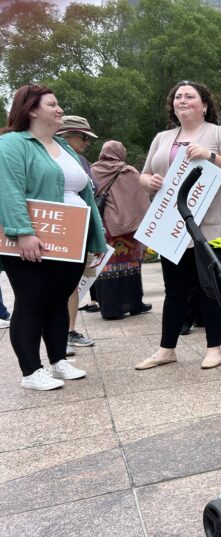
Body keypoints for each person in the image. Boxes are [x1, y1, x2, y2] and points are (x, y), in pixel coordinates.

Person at [0, 83, 107, 390]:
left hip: (71, 238)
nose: (59, 109)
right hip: (34, 239)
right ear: (32, 109)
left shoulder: (64, 147)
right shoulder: (12, 144)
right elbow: (8, 189)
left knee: (59, 299)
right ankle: (31, 371)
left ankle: (58, 360)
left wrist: (96, 239)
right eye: (52, 104)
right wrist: (23, 233)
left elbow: (85, 194)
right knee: (31, 300)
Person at [135, 80, 221, 370]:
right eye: (178, 97)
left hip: (209, 227)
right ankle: (166, 349)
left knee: (210, 288)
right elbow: (143, 175)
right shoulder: (162, 138)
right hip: (171, 226)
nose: (182, 100)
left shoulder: (219, 134)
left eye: (190, 96)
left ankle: (214, 348)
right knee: (174, 290)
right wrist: (149, 181)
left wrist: (210, 156)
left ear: (205, 105)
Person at [90, 140, 152, 320]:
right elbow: (141, 199)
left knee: (105, 268)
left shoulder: (93, 171)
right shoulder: (129, 171)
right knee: (131, 265)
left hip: (104, 228)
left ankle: (110, 308)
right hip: (129, 230)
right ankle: (134, 304)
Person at [57, 115, 99, 348]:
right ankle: (54, 335)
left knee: (72, 282)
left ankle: (69, 331)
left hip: (79, 226)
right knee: (53, 284)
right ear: (66, 136)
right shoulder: (47, 156)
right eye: (83, 137)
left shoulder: (81, 160)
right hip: (56, 227)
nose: (87, 142)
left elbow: (93, 190)